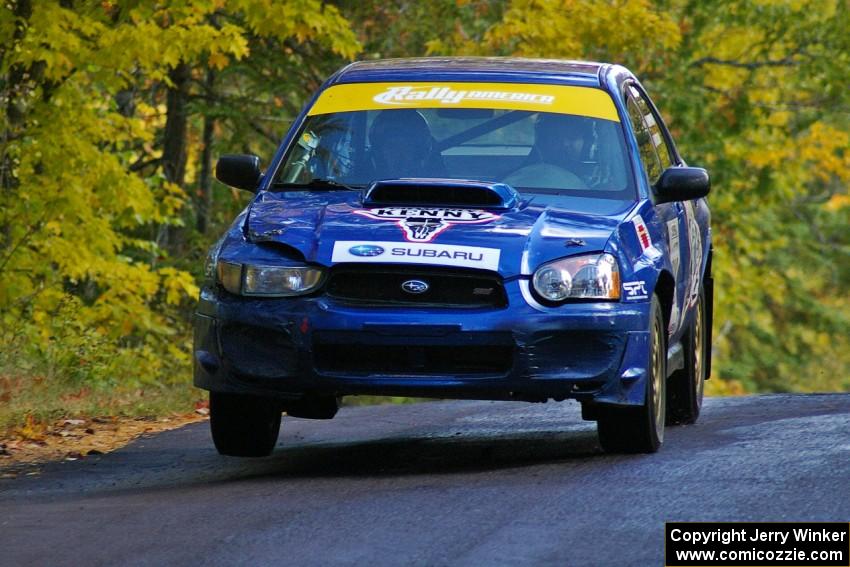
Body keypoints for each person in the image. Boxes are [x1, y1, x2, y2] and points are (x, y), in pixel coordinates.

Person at [503, 113, 594, 189]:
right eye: (557, 137)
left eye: (572, 137)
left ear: (586, 142)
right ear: (543, 140)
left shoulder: (601, 183)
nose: (565, 144)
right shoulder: (517, 178)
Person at [368, 109, 443, 179]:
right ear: (379, 152)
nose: (398, 154)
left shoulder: (437, 184)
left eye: (405, 147)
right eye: (392, 147)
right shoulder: (361, 182)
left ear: (418, 152)